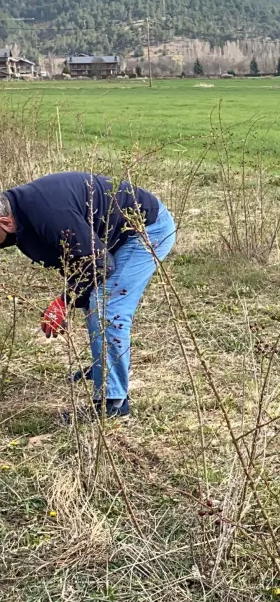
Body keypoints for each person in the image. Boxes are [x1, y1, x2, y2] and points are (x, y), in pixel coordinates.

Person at [0, 172, 177, 419]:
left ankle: (112, 403)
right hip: (111, 236)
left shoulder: (48, 213)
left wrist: (63, 302)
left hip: (147, 229)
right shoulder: (21, 212)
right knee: (93, 294)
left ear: (5, 222)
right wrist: (73, 293)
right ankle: (104, 367)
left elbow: (99, 264)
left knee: (106, 304)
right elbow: (77, 261)